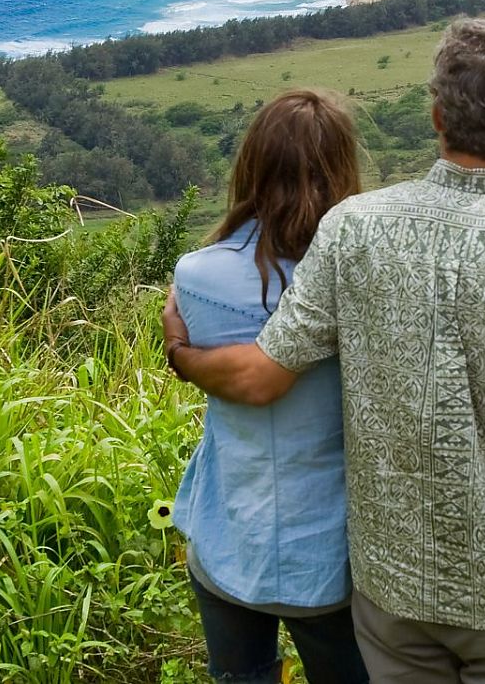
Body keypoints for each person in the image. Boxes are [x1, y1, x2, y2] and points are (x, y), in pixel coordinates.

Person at [162, 18, 485, 683]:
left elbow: (264, 372)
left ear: (435, 116)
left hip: (392, 585)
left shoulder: (354, 231)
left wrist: (183, 352)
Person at [168, 89, 370, 684]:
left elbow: (244, 375)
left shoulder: (196, 275)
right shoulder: (360, 275)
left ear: (251, 165)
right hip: (333, 550)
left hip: (229, 527)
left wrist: (178, 352)